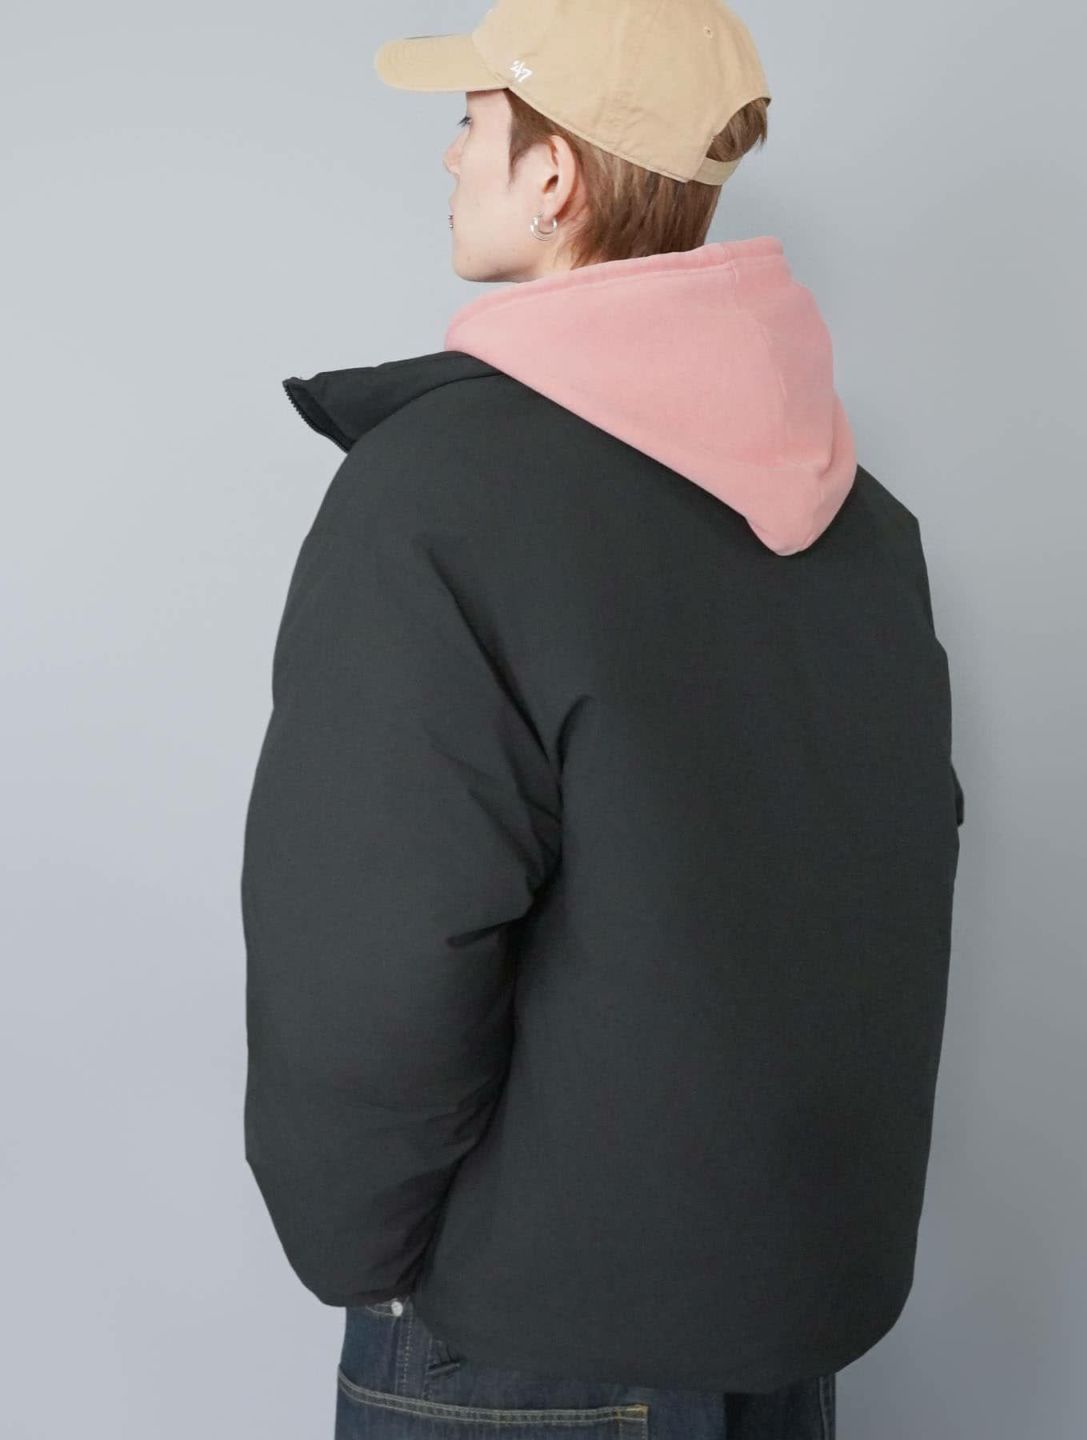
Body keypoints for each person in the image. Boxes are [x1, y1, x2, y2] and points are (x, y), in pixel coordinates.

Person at [240, 1, 964, 1436]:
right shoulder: (863, 524)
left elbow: (373, 944)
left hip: (523, 1340)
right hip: (783, 1323)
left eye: (473, 123)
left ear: (555, 175)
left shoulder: (436, 497)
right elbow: (890, 879)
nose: (451, 157)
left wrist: (365, 1260)